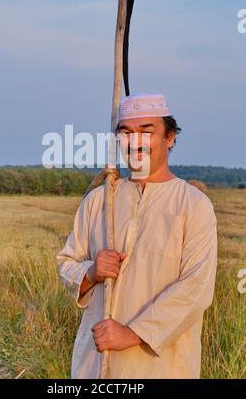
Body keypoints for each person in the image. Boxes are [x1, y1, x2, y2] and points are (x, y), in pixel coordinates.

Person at [56, 93, 218, 379]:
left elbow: (196, 288)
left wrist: (132, 333)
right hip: (95, 365)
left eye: (147, 131)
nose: (135, 142)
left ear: (170, 138)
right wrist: (91, 272)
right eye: (126, 133)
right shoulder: (99, 201)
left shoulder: (193, 205)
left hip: (164, 367)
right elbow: (67, 263)